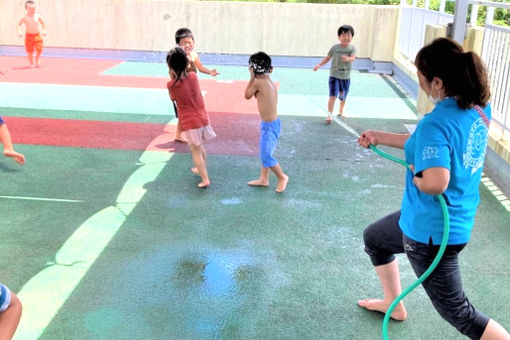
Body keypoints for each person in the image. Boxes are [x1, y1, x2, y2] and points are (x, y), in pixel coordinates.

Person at [357, 38, 510, 340]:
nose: (421, 81)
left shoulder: (436, 123)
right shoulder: (478, 109)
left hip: (430, 235)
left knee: (460, 313)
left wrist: (417, 176)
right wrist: (379, 136)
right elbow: (427, 146)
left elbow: (435, 181)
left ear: (437, 82)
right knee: (375, 238)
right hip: (446, 221)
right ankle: (393, 304)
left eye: (422, 76)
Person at [166, 47, 216, 188]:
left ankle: (205, 178)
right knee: (199, 146)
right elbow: (189, 78)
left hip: (189, 122)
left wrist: (172, 78)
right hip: (202, 117)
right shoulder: (193, 77)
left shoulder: (171, 84)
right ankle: (201, 168)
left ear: (170, 67)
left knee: (195, 150)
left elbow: (173, 98)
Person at [245, 52, 289, 193]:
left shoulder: (257, 82)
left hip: (270, 126)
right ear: (270, 69)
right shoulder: (269, 81)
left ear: (252, 69)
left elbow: (247, 95)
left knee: (265, 155)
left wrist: (251, 78)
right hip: (271, 124)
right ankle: (264, 179)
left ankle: (282, 177)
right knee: (265, 151)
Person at [173, 28, 219, 143]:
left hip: (193, 88)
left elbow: (200, 67)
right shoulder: (177, 57)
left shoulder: (194, 55)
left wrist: (210, 72)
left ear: (194, 42)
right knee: (184, 111)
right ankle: (180, 134)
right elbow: (173, 73)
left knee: (194, 109)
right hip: (182, 89)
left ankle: (195, 130)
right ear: (178, 44)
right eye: (184, 43)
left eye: (190, 42)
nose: (187, 45)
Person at [313, 25, 356, 123]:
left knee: (343, 96)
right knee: (332, 96)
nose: (346, 38)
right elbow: (327, 58)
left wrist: (348, 59)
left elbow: (353, 58)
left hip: (345, 77)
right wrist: (319, 65)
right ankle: (329, 115)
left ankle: (341, 111)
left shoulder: (352, 48)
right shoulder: (335, 48)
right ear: (339, 37)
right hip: (334, 76)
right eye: (344, 35)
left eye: (349, 35)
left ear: (352, 37)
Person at [17, 0, 46, 68]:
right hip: (29, 36)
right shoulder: (24, 17)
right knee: (30, 52)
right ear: (26, 9)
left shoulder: (37, 16)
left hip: (37, 35)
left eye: (34, 9)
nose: (32, 10)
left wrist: (44, 30)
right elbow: (18, 24)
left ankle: (37, 59)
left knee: (39, 49)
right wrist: (19, 31)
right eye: (30, 9)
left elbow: (43, 23)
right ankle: (31, 63)